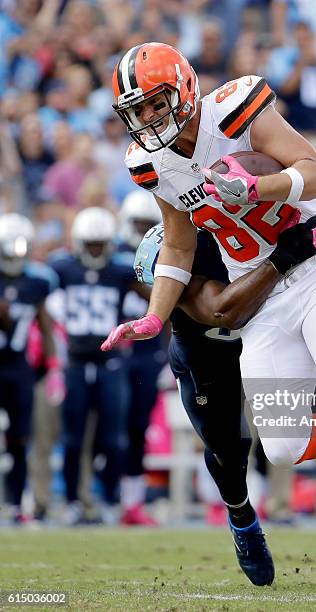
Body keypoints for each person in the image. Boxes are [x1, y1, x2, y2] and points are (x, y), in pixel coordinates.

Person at [102, 42, 316, 585]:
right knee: (284, 445)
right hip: (263, 300)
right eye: (138, 110)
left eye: (156, 102)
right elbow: (177, 248)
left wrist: (257, 187)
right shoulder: (150, 164)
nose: (149, 119)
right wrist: (155, 316)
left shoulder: (236, 108)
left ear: (187, 87)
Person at [133, 217, 316, 581]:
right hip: (210, 363)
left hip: (275, 341)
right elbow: (224, 310)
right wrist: (282, 259)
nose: (173, 290)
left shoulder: (225, 236)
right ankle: (243, 521)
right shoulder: (192, 292)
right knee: (227, 449)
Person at [49, 206, 151, 525]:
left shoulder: (120, 271)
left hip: (111, 363)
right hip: (76, 363)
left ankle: (109, 500)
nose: (95, 249)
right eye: (90, 244)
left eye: (100, 243)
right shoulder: (62, 269)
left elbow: (151, 293)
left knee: (113, 437)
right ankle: (72, 501)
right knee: (73, 437)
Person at [0, 213, 60, 522]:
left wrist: (52, 366)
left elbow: (45, 324)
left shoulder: (36, 282)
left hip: (19, 369)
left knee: (20, 439)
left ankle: (14, 503)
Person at [117, 191, 167, 526]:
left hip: (149, 356)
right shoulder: (114, 260)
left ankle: (131, 501)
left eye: (148, 225)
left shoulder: (166, 257)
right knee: (111, 430)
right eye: (137, 224)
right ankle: (109, 498)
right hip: (117, 356)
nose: (141, 231)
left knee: (137, 427)